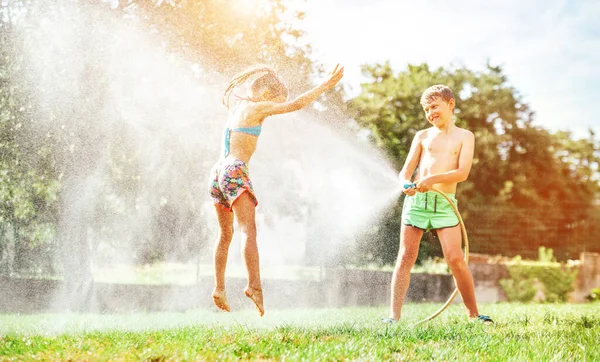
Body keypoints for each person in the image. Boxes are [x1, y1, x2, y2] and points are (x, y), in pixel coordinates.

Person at [208, 64, 344, 316]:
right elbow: (296, 104)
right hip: (235, 170)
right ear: (265, 95)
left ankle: (219, 287)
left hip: (217, 173)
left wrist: (265, 70)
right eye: (275, 102)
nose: (274, 109)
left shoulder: (237, 106)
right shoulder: (257, 106)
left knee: (225, 234)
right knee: (248, 230)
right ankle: (254, 286)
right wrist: (324, 85)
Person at [384, 84, 492, 323]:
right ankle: (393, 317)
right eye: (426, 109)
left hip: (445, 205)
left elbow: (462, 173)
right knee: (405, 257)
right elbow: (405, 173)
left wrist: (432, 179)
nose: (430, 112)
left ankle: (474, 316)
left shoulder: (465, 136)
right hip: (418, 202)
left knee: (455, 258)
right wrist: (405, 185)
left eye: (434, 106)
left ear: (450, 104)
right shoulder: (421, 136)